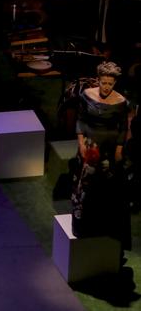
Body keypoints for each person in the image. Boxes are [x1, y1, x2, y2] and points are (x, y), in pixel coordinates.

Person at [71, 61, 130, 253]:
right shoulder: (87, 96)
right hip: (89, 147)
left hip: (109, 150)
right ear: (98, 80)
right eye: (104, 83)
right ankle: (82, 225)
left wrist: (119, 149)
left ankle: (103, 227)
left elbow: (123, 128)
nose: (106, 87)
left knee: (106, 187)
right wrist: (80, 143)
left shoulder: (121, 102)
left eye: (110, 84)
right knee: (85, 184)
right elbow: (80, 119)